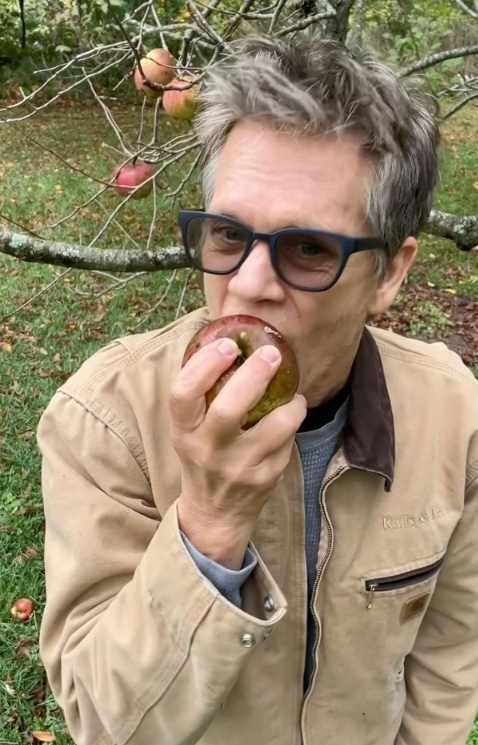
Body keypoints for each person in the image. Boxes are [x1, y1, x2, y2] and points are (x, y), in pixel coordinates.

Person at [36, 34, 478, 745]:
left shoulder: (452, 416)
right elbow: (101, 721)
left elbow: (447, 662)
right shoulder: (106, 420)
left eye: (307, 249)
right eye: (227, 234)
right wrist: (208, 523)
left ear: (389, 274)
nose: (247, 285)